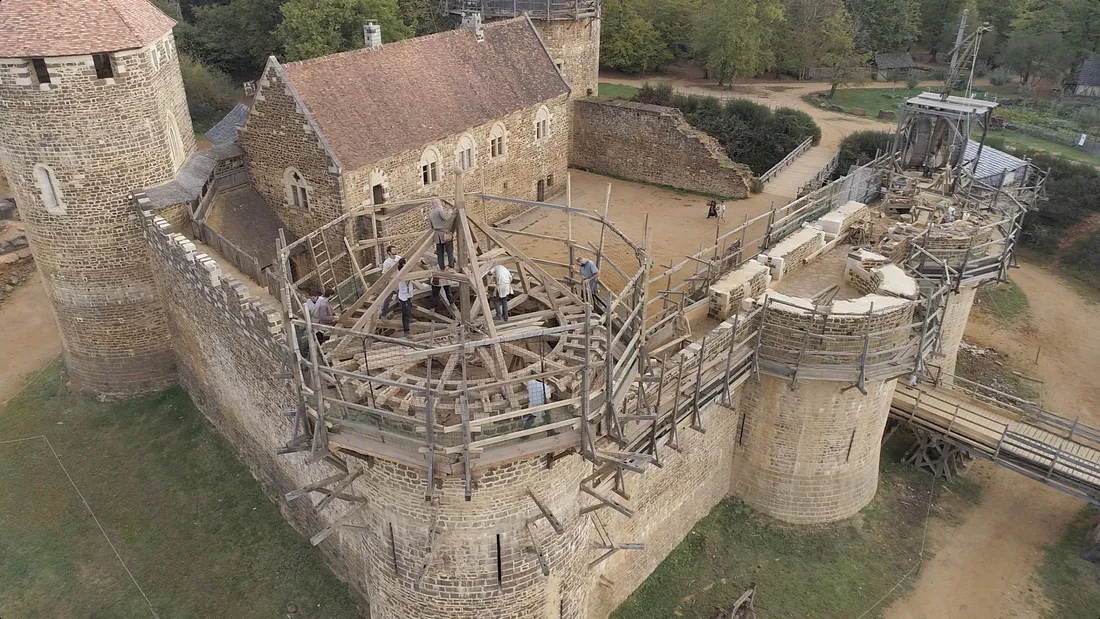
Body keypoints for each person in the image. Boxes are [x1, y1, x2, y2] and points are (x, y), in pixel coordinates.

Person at [428, 198, 455, 271]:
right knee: (449, 250)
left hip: (437, 235)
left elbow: (431, 226)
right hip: (445, 233)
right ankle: (451, 265)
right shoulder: (440, 210)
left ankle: (442, 267)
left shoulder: (430, 214)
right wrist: (450, 211)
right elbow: (446, 217)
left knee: (440, 252)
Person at [395, 258, 414, 338]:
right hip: (403, 296)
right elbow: (405, 280)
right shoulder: (401, 273)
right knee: (405, 313)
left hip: (409, 294)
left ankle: (410, 318)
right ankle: (406, 331)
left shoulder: (408, 271)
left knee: (409, 308)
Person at [381, 245, 401, 317]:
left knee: (400, 296)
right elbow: (384, 274)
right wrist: (387, 282)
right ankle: (384, 314)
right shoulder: (387, 262)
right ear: (389, 252)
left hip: (399, 280)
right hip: (392, 281)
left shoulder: (399, 258)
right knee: (388, 298)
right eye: (393, 250)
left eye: (395, 249)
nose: (395, 250)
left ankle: (397, 310)